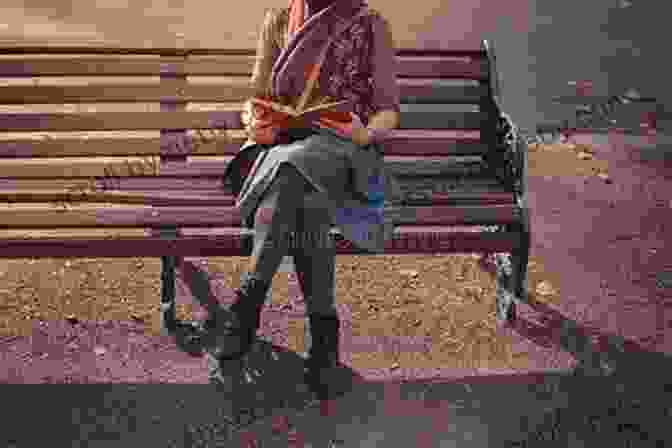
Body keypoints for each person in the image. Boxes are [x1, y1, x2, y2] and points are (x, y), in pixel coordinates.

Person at [204, 0, 401, 398]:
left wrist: (365, 134)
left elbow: (387, 110)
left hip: (343, 153)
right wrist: (254, 121)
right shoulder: (278, 20)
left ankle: (244, 313)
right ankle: (324, 343)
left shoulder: (369, 25)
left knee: (293, 170)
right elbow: (257, 97)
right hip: (282, 151)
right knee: (304, 196)